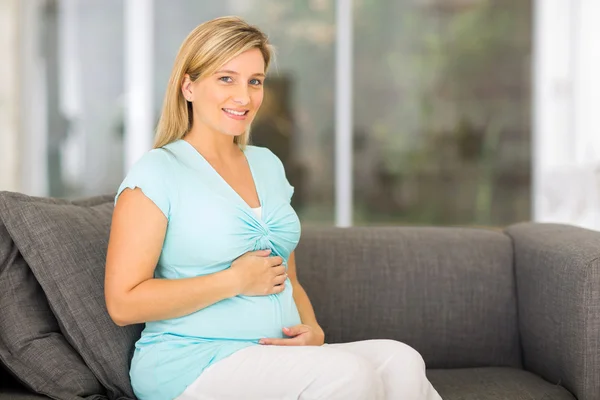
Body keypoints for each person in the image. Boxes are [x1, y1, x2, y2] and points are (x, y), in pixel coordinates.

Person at [105, 16, 443, 400]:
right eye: (226, 78)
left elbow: (288, 278)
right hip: (192, 362)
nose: (244, 97)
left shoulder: (267, 164)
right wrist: (233, 281)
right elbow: (123, 302)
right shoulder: (158, 171)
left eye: (255, 81)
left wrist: (312, 327)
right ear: (189, 86)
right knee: (348, 376)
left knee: (401, 361)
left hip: (271, 351)